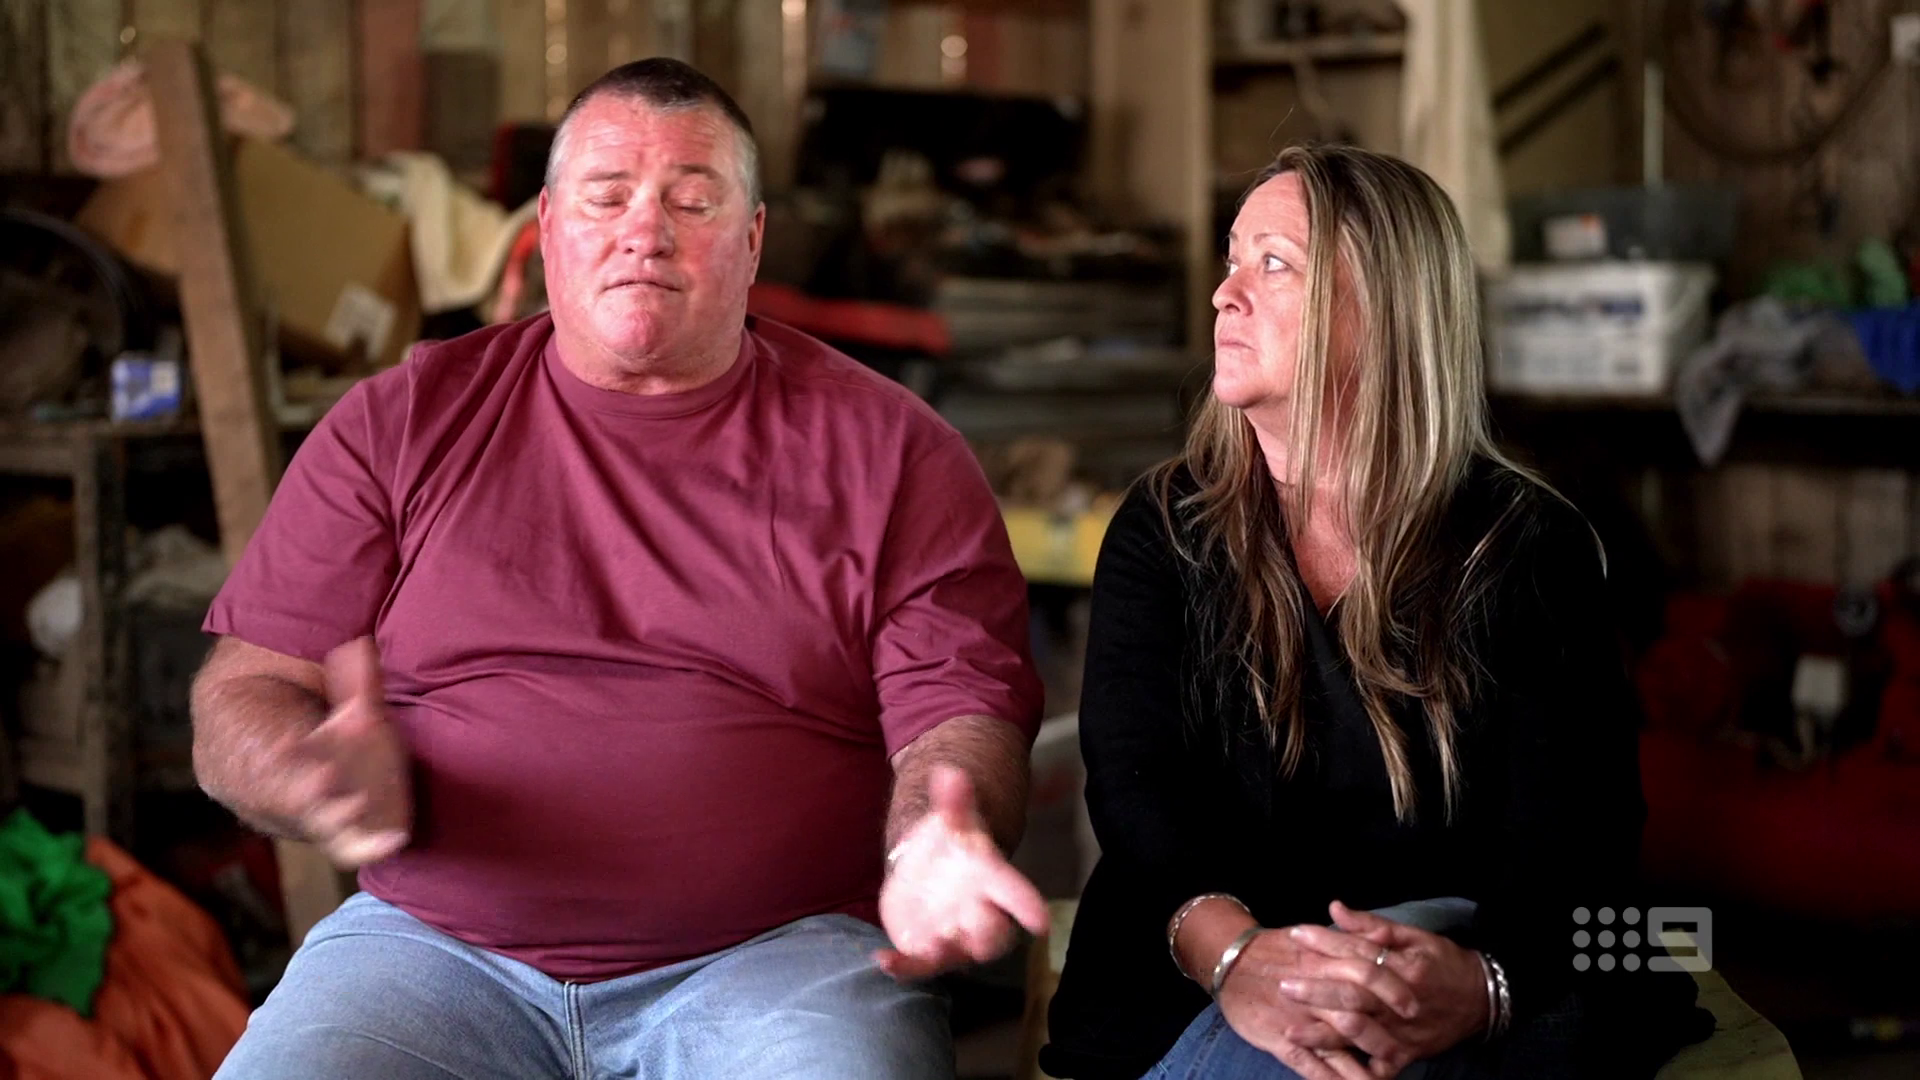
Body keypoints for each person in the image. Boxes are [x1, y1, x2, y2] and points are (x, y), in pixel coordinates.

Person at [192, 57, 1049, 1080]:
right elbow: (246, 690)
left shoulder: (893, 451)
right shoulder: (403, 422)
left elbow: (956, 715)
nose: (646, 231)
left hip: (778, 959)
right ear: (548, 226)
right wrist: (301, 771)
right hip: (433, 952)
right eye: (607, 197)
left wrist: (934, 836)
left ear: (753, 239)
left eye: (693, 200)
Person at [1039, 144, 1711, 1080]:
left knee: (1623, 956)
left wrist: (1480, 986)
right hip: (1193, 961)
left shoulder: (1526, 544)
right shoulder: (1164, 528)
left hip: (1469, 953)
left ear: (1386, 309)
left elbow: (1579, 832)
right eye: (1232, 261)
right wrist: (1242, 962)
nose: (1225, 295)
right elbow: (1134, 796)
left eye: (1274, 264)